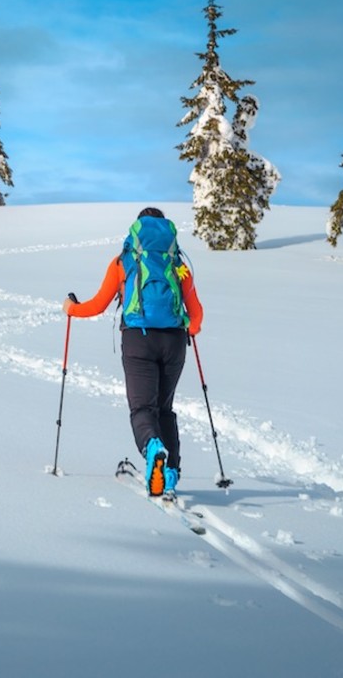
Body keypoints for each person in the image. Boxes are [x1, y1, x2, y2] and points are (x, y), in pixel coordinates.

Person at [62, 207, 203, 497]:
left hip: (138, 340)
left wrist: (71, 309)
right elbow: (197, 315)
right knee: (164, 409)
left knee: (142, 409)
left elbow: (98, 305)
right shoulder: (177, 264)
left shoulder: (123, 261)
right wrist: (187, 328)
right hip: (174, 342)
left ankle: (153, 448)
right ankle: (171, 474)